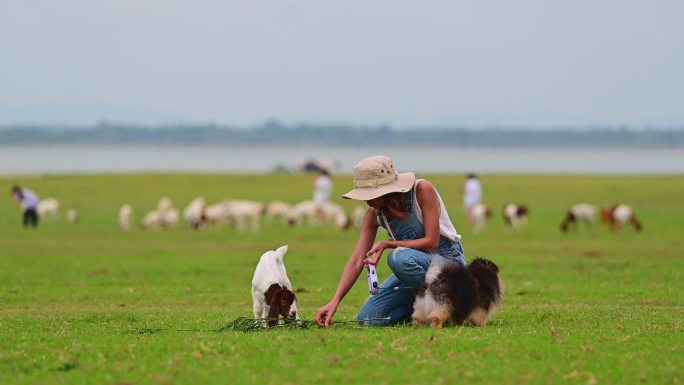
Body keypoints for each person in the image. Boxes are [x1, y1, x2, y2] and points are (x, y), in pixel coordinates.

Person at [315, 155, 466, 327]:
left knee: (398, 258)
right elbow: (357, 259)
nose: (366, 201)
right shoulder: (374, 214)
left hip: (449, 265)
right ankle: (423, 311)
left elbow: (432, 242)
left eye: (370, 194)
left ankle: (451, 303)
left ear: (387, 190)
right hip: (415, 271)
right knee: (368, 319)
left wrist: (389, 243)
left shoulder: (422, 190)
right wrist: (335, 301)